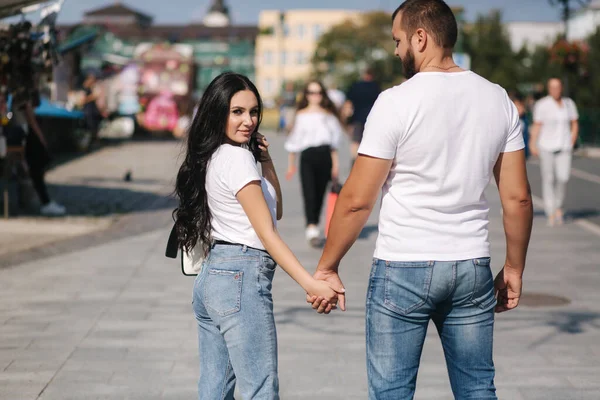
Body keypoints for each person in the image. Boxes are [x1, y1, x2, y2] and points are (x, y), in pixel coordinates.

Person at [307, 1, 533, 398]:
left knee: (392, 392)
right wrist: (514, 267)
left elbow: (358, 199)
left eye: (397, 41)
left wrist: (327, 266)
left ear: (421, 37)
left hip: (403, 264)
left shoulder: (396, 101)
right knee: (478, 388)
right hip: (470, 264)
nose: (396, 52)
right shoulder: (497, 99)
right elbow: (517, 198)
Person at [173, 72, 343, 399]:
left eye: (253, 112)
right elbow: (268, 233)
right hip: (240, 279)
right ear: (217, 111)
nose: (248, 121)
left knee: (214, 391)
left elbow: (275, 209)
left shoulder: (216, 155)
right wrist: (311, 284)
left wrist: (265, 160)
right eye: (237, 111)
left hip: (213, 279)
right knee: (260, 391)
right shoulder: (235, 158)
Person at [284, 80, 344, 247]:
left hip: (325, 156)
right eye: (311, 92)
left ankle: (316, 223)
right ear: (306, 95)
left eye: (318, 92)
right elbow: (294, 141)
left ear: (322, 95)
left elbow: (334, 145)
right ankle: (311, 227)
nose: (315, 96)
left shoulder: (328, 115)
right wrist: (291, 164)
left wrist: (336, 165)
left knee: (320, 193)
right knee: (309, 192)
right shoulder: (301, 115)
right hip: (308, 157)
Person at [529, 78, 579, 226]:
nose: (555, 90)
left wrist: (572, 139)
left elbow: (574, 123)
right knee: (548, 178)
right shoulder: (542, 105)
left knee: (563, 177)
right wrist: (533, 143)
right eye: (552, 87)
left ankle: (558, 205)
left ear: (561, 88)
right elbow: (537, 125)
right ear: (548, 89)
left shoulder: (569, 104)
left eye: (557, 87)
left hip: (564, 146)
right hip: (546, 146)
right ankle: (550, 211)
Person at [11, 96, 66, 216]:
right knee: (37, 169)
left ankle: (43, 201)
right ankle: (45, 202)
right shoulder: (23, 98)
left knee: (34, 170)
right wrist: (41, 138)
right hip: (25, 135)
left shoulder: (18, 98)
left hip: (21, 135)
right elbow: (32, 120)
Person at [344, 67, 381, 163]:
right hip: (373, 119)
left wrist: (347, 120)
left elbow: (348, 105)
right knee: (371, 142)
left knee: (355, 142)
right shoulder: (376, 86)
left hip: (357, 118)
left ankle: (354, 162)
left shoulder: (356, 86)